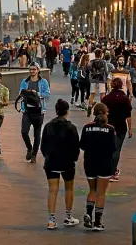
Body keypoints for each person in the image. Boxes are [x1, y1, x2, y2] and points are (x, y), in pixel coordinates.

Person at [40, 99, 80, 230]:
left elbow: (43, 146)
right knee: (69, 189)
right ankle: (68, 217)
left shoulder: (48, 126)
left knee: (52, 190)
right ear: (67, 111)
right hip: (67, 162)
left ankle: (51, 220)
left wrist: (47, 156)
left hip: (51, 162)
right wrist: (73, 159)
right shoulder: (71, 127)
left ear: (56, 111)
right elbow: (76, 147)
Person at [79, 103, 116, 231]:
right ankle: (98, 222)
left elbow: (82, 145)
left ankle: (88, 213)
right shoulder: (110, 129)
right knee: (101, 193)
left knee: (92, 190)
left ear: (94, 113)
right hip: (105, 163)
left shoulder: (86, 127)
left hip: (90, 162)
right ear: (106, 113)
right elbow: (113, 148)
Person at [17, 62, 51, 163]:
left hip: (39, 111)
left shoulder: (43, 82)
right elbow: (21, 93)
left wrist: (36, 93)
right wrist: (26, 93)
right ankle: (29, 148)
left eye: (34, 69)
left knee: (37, 134)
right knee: (24, 132)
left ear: (38, 70)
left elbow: (47, 94)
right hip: (27, 110)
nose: (32, 71)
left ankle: (34, 154)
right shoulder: (25, 81)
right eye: (30, 69)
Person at [102, 78, 132, 182]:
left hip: (108, 126)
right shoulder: (124, 98)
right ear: (121, 86)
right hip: (121, 127)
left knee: (108, 148)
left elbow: (102, 113)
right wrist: (130, 129)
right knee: (117, 149)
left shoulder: (106, 98)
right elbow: (128, 115)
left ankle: (107, 169)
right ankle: (112, 171)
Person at [87, 48, 109, 117]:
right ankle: (102, 110)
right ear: (101, 54)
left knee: (92, 94)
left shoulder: (91, 61)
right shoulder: (103, 62)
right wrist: (107, 78)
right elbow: (106, 71)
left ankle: (89, 109)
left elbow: (89, 69)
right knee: (102, 95)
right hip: (101, 79)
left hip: (93, 79)